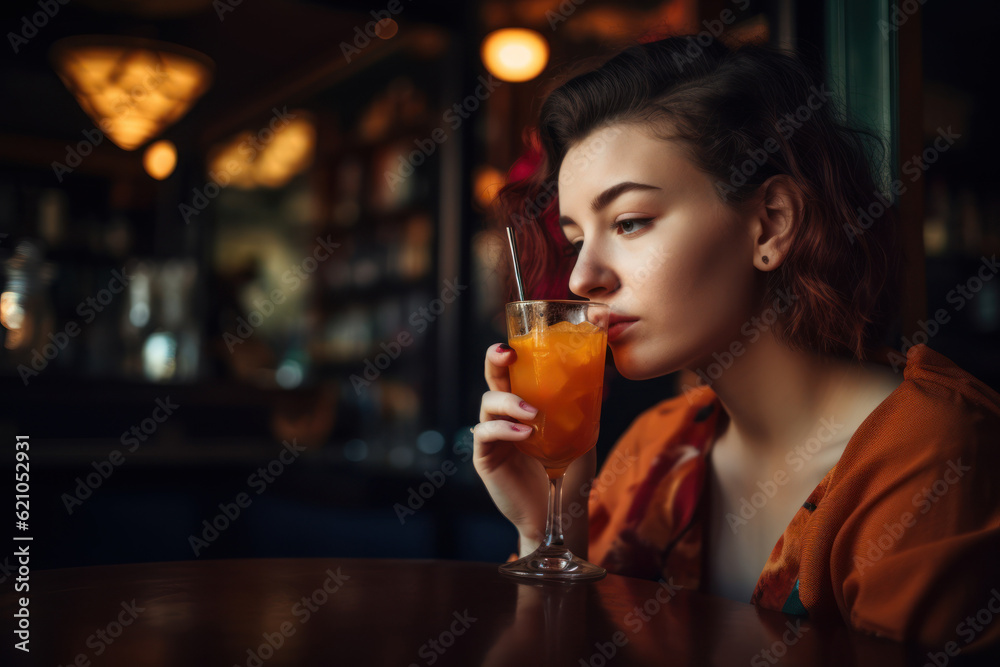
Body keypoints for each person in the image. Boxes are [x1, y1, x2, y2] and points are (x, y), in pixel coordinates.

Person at [470, 34, 1000, 651]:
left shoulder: (932, 460)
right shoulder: (656, 447)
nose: (583, 278)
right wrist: (550, 529)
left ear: (771, 223)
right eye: (573, 240)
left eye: (630, 222)